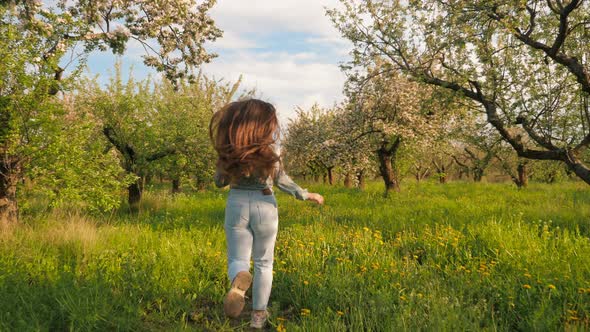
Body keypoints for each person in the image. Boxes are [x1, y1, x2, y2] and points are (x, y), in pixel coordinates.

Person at [209, 99, 324, 329]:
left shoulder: (231, 150)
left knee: (237, 259)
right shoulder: (273, 150)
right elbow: (282, 180)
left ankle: (239, 282)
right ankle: (258, 317)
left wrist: (227, 164)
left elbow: (219, 182)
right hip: (265, 204)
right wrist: (305, 194)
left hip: (237, 203)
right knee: (264, 263)